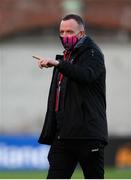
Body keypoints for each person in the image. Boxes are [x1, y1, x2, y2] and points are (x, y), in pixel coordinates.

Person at [36, 14, 108, 179]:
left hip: (88, 136)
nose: (65, 36)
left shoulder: (92, 53)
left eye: (69, 32)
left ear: (81, 34)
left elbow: (85, 75)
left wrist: (58, 64)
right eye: (62, 32)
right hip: (64, 136)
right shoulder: (67, 57)